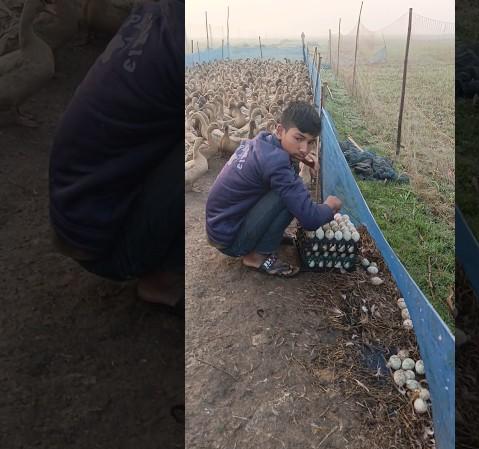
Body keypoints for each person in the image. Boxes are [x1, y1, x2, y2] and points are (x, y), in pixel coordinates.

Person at [48, 0, 184, 311]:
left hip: (73, 216)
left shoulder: (163, 10)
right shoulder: (182, 47)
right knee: (199, 153)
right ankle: (162, 280)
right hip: (101, 244)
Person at [206, 101, 342, 277]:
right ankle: (256, 255)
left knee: (290, 190)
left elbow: (278, 166)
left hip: (221, 227)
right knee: (292, 195)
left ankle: (264, 236)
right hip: (230, 240)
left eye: (310, 142)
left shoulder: (263, 142)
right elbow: (310, 218)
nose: (304, 149)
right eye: (298, 139)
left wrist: (300, 160)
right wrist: (330, 206)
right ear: (279, 131)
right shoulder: (277, 165)